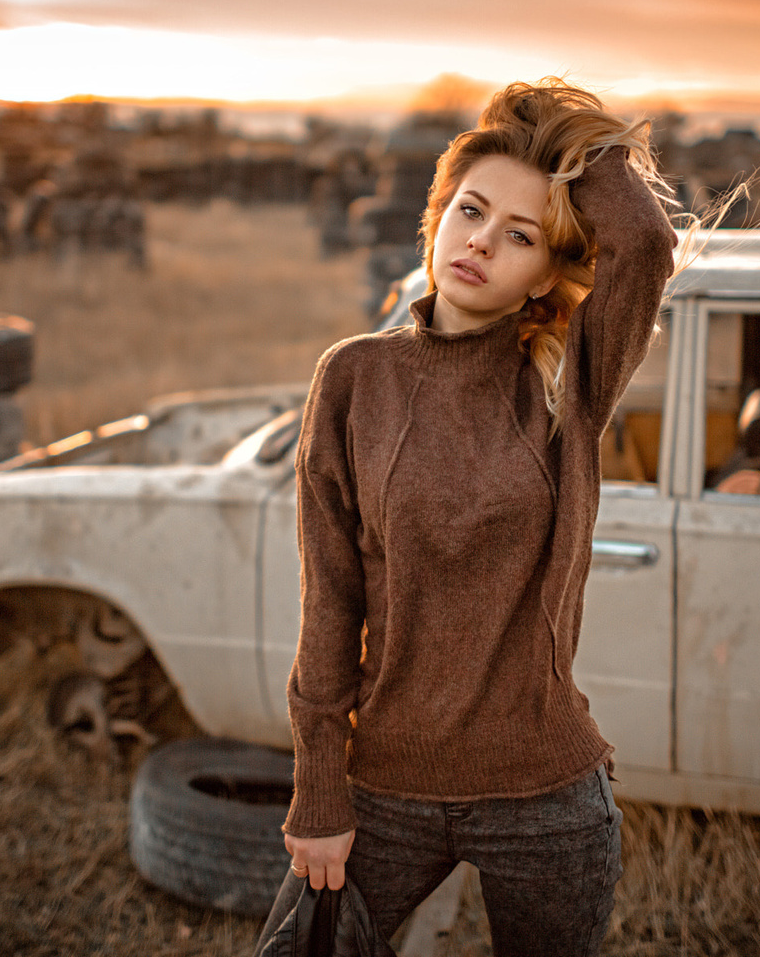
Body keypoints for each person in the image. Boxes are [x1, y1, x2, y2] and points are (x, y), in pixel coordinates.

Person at [257, 77, 681, 957]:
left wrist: (552, 131)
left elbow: (641, 240)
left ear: (545, 277)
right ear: (436, 217)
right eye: (471, 210)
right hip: (382, 785)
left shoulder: (570, 391)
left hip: (544, 795)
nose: (482, 241)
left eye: (519, 235)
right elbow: (330, 601)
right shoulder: (353, 377)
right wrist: (319, 790)